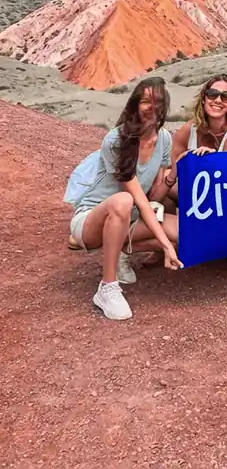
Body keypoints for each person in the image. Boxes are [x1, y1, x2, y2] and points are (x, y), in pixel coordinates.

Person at [67, 77, 182, 321]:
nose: (152, 108)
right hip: (92, 220)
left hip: (130, 218)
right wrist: (164, 244)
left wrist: (172, 176)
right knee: (123, 201)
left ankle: (119, 250)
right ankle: (107, 287)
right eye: (146, 102)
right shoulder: (116, 140)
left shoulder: (164, 139)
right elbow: (137, 197)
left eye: (158, 102)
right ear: (135, 105)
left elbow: (154, 196)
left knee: (185, 232)